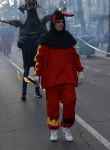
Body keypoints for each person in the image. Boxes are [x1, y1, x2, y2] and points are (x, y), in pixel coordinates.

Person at [33, 10, 84, 142]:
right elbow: (40, 58)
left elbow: (75, 56)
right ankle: (53, 130)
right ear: (54, 22)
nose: (61, 24)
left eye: (63, 22)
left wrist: (80, 70)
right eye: (58, 22)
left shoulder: (68, 38)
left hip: (68, 77)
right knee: (52, 105)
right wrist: (37, 74)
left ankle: (66, 128)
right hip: (51, 78)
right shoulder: (45, 39)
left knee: (70, 101)